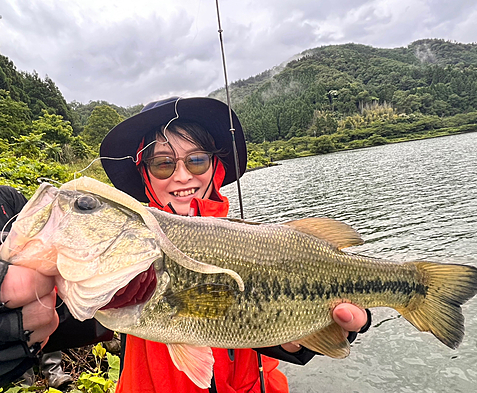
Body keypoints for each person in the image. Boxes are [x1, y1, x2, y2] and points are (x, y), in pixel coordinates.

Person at [0, 97, 369, 391]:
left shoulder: (257, 240)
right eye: (162, 164)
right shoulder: (122, 247)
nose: (181, 176)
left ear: (215, 167)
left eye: (196, 160)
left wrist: (298, 341)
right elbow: (74, 321)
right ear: (144, 175)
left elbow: (236, 317)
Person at [0, 186, 73, 389]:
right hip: (8, 290)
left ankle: (53, 369)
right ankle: (23, 380)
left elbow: (39, 226)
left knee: (47, 307)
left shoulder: (9, 196)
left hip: (30, 274)